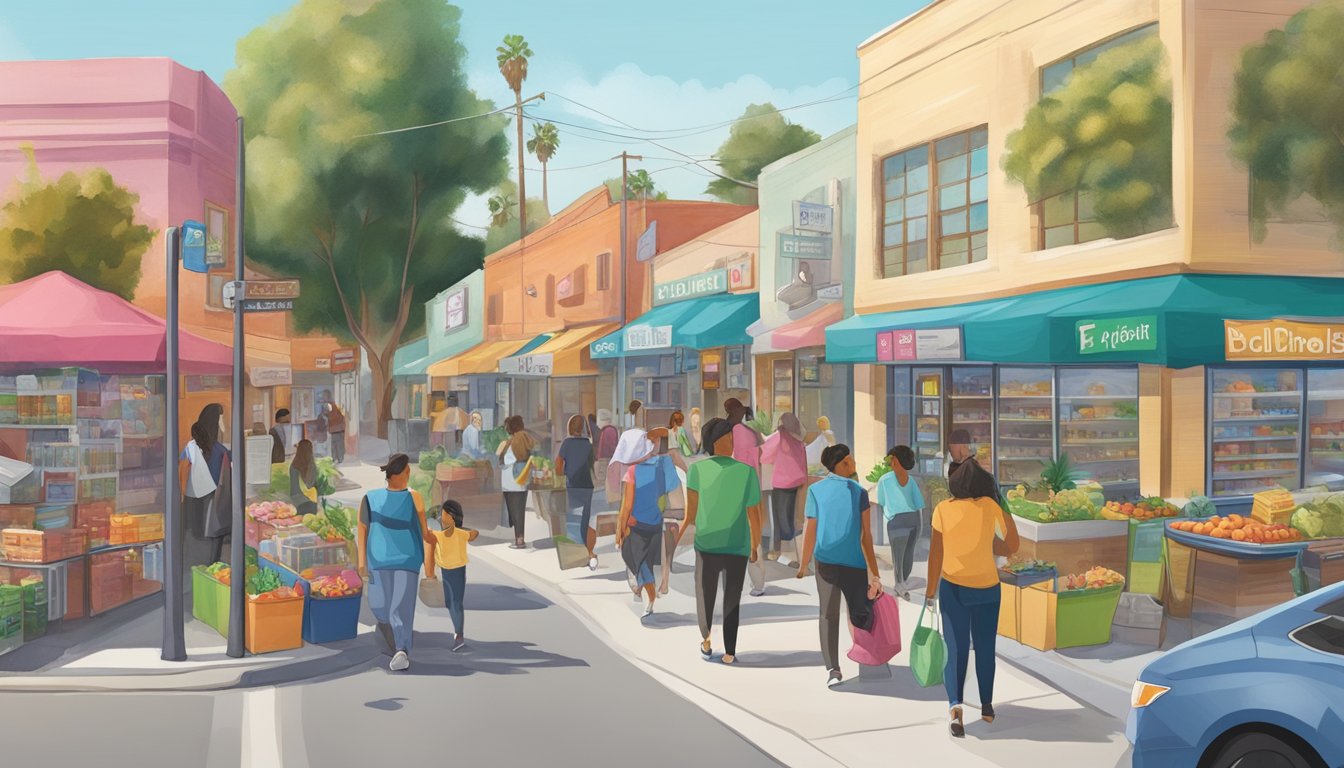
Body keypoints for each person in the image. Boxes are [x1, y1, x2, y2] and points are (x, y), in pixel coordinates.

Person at [928, 459, 1020, 737]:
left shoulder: (943, 509)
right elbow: (1012, 546)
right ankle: (987, 706)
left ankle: (956, 709)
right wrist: (988, 541)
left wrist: (931, 589)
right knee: (984, 647)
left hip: (954, 588)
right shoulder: (990, 507)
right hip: (988, 588)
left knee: (955, 649)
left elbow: (936, 553)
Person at [796, 444, 882, 689]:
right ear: (839, 465)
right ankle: (860, 664)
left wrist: (804, 563)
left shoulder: (821, 490)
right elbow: (866, 536)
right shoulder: (857, 492)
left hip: (828, 561)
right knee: (860, 612)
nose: (852, 463)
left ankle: (834, 669)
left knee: (829, 614)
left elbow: (810, 528)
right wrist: (873, 572)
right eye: (848, 460)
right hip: (850, 562)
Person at [677, 417, 761, 665]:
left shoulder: (698, 471)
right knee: (728, 597)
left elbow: (690, 515)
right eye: (729, 439)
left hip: (710, 544)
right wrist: (754, 544)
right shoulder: (745, 472)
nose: (733, 443)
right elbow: (753, 515)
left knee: (707, 595)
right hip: (732, 544)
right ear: (716, 442)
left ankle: (712, 642)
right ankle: (725, 648)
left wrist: (755, 545)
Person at [357, 453, 435, 672]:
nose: (409, 474)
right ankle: (389, 634)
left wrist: (434, 540)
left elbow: (423, 530)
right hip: (377, 560)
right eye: (406, 470)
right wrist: (361, 559)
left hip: (407, 559)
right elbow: (362, 528)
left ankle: (402, 650)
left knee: (400, 607)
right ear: (394, 474)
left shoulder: (414, 497)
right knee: (379, 605)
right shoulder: (371, 498)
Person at [614, 428, 678, 617]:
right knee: (648, 560)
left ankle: (649, 596)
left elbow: (626, 506)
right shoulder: (660, 466)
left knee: (634, 557)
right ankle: (643, 589)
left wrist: (620, 530)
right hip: (655, 523)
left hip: (636, 524)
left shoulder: (632, 472)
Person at [178, 403, 231, 568]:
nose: (223, 423)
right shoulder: (219, 450)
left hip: (194, 503)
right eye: (220, 419)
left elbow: (183, 468)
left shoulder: (194, 446)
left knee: (196, 546)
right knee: (209, 549)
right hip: (211, 502)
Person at [724, 398, 766, 597]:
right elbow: (762, 449)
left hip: (737, 486)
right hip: (753, 484)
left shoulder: (732, 431)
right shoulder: (752, 430)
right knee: (754, 531)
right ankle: (758, 582)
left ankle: (737, 580)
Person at [426, 499, 478, 653]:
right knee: (450, 602)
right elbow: (474, 534)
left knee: (455, 603)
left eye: (443, 514)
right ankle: (458, 633)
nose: (441, 518)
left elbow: (474, 534)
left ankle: (459, 636)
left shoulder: (449, 535)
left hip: (457, 571)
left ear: (451, 516)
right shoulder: (443, 534)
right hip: (447, 571)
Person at [876, 445, 925, 600]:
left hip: (896, 522)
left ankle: (900, 584)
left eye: (892, 459)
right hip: (914, 520)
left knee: (898, 556)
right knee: (908, 554)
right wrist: (920, 526)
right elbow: (919, 505)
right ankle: (902, 582)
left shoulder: (884, 480)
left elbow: (882, 501)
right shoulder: (911, 481)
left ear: (896, 460)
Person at [762, 412, 808, 565]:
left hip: (782, 481)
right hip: (797, 481)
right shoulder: (799, 439)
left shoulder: (780, 435)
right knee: (791, 516)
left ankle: (780, 551)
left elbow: (765, 454)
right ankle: (793, 552)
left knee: (779, 517)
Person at [556, 415, 599, 570]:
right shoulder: (587, 444)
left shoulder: (567, 443)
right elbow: (591, 464)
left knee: (573, 519)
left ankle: (578, 554)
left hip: (572, 485)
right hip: (587, 486)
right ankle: (586, 552)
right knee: (584, 520)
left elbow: (559, 462)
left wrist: (560, 474)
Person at [498, 415, 536, 550]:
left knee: (515, 512)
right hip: (522, 481)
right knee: (519, 511)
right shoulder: (526, 439)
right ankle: (519, 538)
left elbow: (506, 462)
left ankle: (519, 540)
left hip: (511, 482)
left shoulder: (514, 441)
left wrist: (501, 452)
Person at [290, 439, 320, 516]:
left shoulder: (294, 466)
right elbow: (313, 484)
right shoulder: (311, 465)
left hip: (298, 502)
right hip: (311, 501)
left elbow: (293, 487)